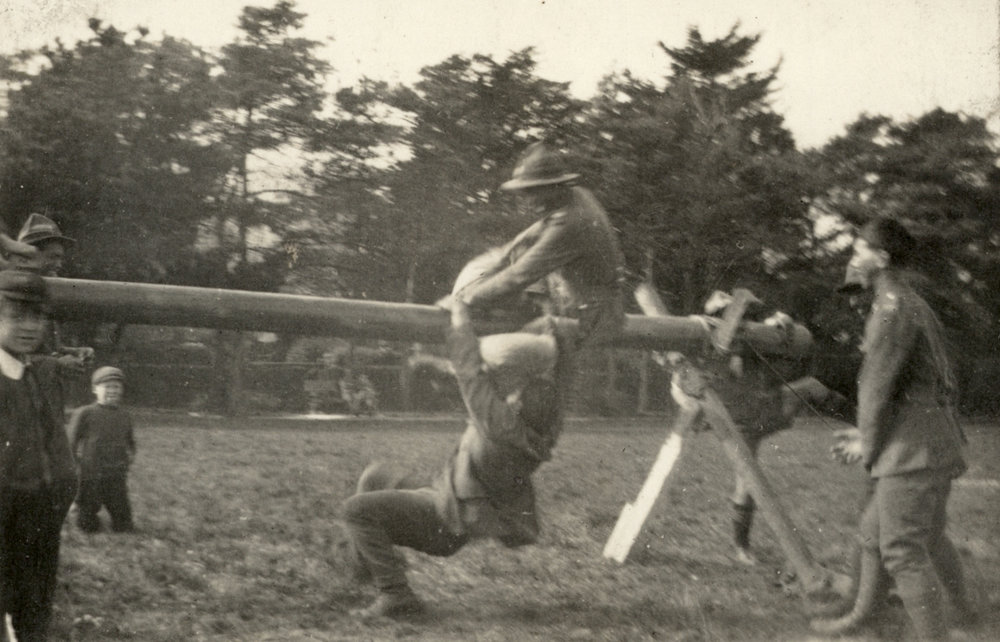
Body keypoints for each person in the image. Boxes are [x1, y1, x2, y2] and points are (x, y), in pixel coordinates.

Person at [339, 297, 573, 620]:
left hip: (444, 519)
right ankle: (369, 568)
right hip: (452, 497)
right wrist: (550, 327)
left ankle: (396, 595)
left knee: (355, 511)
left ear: (517, 401)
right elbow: (560, 367)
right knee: (374, 475)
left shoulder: (500, 426)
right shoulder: (548, 419)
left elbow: (469, 372)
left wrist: (460, 316)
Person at [810, 217, 976, 640]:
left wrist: (867, 442)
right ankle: (867, 615)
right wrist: (869, 436)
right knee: (896, 534)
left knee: (902, 550)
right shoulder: (910, 302)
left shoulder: (891, 309)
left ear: (881, 257)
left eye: (858, 251)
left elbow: (876, 390)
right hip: (930, 440)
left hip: (913, 450)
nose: (852, 259)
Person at [452, 141, 626, 348]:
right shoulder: (575, 197)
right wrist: (493, 266)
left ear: (553, 186)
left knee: (498, 348)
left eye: (532, 191)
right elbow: (526, 239)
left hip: (592, 323)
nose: (527, 200)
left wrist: (467, 298)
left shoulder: (570, 224)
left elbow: (519, 275)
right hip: (593, 312)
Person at [0, 270, 78, 641]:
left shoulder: (33, 373)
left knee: (35, 597)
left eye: (37, 317)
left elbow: (54, 441)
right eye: (16, 316)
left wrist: (63, 488)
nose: (30, 327)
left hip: (38, 508)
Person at [7, 213, 94, 375]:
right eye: (53, 257)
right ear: (27, 256)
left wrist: (71, 352)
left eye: (60, 258)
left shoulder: (42, 293)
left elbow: (38, 348)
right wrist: (56, 365)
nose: (59, 265)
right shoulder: (9, 296)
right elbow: (7, 356)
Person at [68, 366, 137, 534]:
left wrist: (130, 455)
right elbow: (71, 442)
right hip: (91, 473)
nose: (113, 391)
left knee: (124, 522)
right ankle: (85, 517)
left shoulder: (125, 415)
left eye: (117, 387)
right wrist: (74, 465)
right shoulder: (85, 413)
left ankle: (121, 521)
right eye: (107, 386)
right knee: (87, 523)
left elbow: (129, 441)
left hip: (116, 473)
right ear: (95, 389)